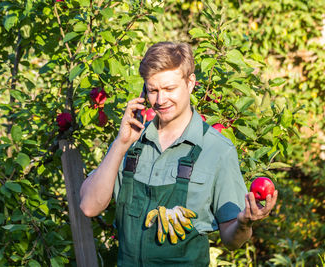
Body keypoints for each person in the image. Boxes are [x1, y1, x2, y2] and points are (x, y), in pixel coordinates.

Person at [79, 42, 278, 266]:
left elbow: (232, 240)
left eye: (169, 89)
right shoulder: (132, 141)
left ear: (190, 83)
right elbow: (89, 206)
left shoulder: (218, 150)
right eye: (153, 90)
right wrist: (120, 144)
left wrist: (244, 223)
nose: (160, 100)